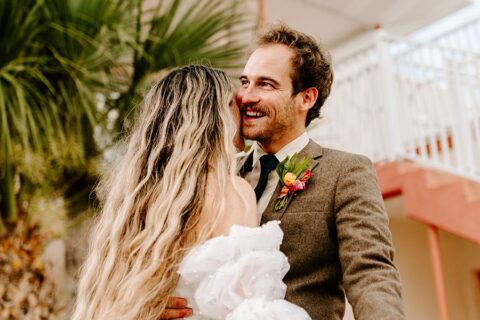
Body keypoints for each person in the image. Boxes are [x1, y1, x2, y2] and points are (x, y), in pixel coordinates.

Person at [163, 24, 406, 320]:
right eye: (245, 81)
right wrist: (157, 304)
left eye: (265, 84)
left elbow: (371, 274)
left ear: (306, 98)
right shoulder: (214, 178)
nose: (246, 97)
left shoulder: (345, 172)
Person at [71, 65, 312, 320]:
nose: (242, 108)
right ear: (213, 116)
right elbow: (245, 304)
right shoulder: (230, 190)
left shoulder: (136, 199)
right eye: (231, 103)